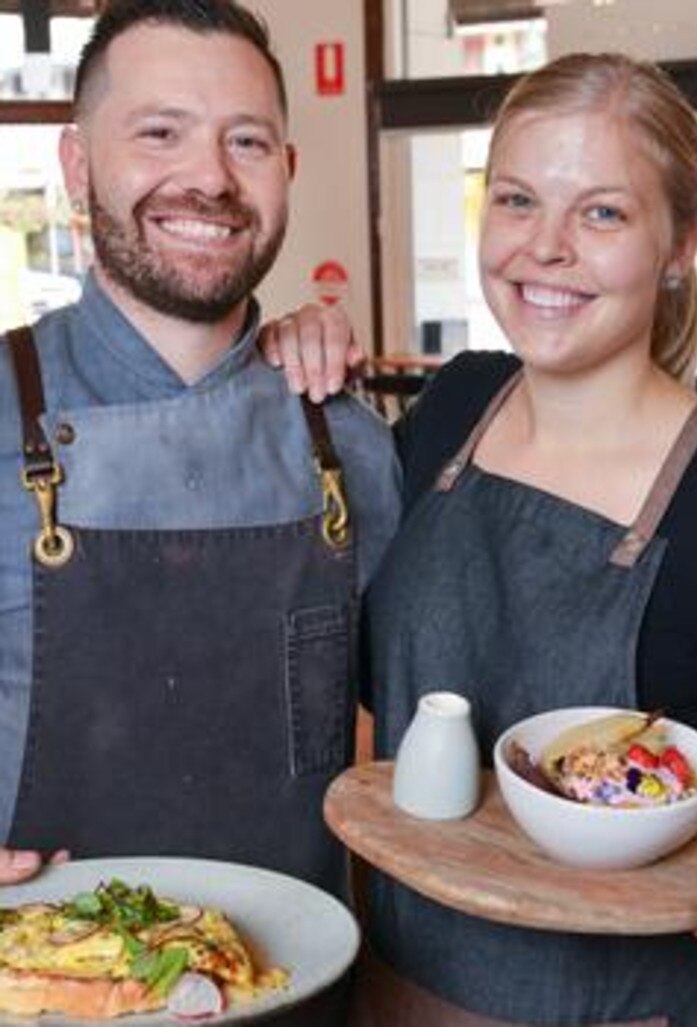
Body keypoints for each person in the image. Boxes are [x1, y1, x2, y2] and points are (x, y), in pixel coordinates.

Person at [266, 51, 697, 1026]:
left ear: (681, 245)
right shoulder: (451, 410)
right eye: (516, 199)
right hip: (394, 991)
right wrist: (280, 354)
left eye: (603, 212)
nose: (546, 246)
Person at [0, 1, 400, 1021]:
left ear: (287, 172)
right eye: (160, 132)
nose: (212, 179)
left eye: (247, 141)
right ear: (79, 163)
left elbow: (432, 720)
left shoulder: (349, 441)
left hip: (304, 997)